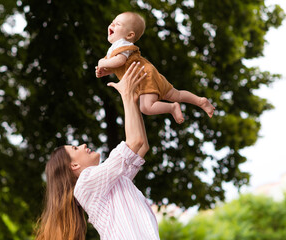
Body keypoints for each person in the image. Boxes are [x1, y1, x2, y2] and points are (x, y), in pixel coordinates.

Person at [35, 62, 160, 240]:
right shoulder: (86, 184)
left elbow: (142, 146)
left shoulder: (115, 181)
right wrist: (126, 94)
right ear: (74, 165)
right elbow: (135, 141)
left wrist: (132, 99)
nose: (84, 145)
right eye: (75, 148)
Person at [95, 12, 215, 124]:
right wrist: (106, 71)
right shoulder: (114, 49)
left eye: (118, 24)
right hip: (149, 73)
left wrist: (102, 63)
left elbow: (119, 61)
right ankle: (200, 101)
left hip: (145, 77)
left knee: (146, 107)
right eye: (113, 22)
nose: (112, 24)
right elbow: (119, 65)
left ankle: (172, 107)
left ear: (129, 35)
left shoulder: (122, 44)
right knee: (176, 94)